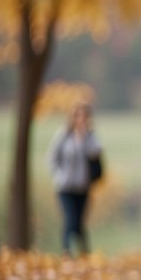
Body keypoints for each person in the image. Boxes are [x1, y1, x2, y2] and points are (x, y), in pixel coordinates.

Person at [47, 102, 103, 256]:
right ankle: (67, 252)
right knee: (70, 219)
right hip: (65, 187)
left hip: (83, 187)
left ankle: (85, 252)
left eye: (84, 116)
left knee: (79, 221)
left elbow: (96, 153)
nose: (80, 119)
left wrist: (85, 136)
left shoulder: (90, 136)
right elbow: (52, 158)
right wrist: (59, 174)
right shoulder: (63, 135)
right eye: (77, 115)